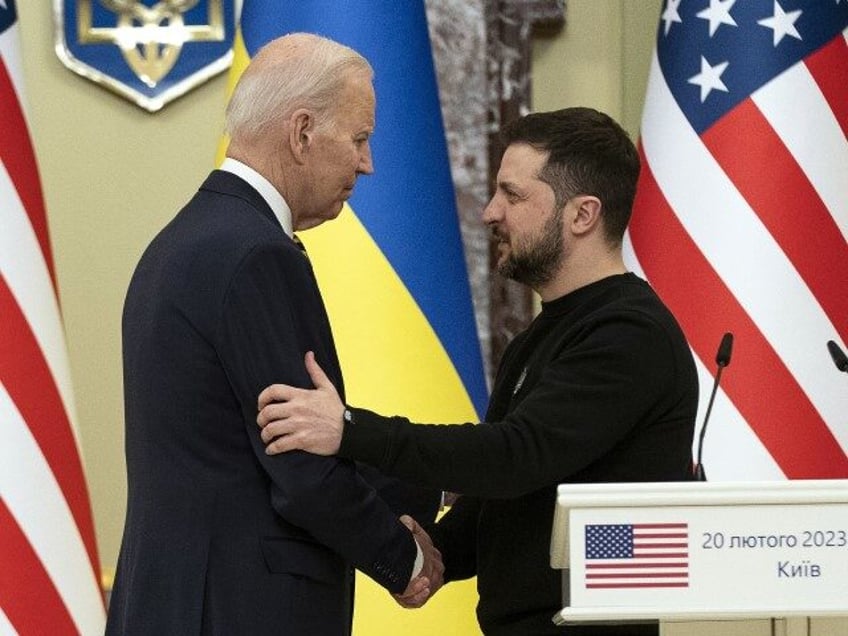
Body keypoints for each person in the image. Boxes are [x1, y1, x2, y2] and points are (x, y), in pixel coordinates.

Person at [256, 107, 700, 635]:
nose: (490, 213)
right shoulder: (541, 336)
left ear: (582, 215)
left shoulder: (629, 334)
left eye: (512, 196)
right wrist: (427, 557)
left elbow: (514, 458)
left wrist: (349, 430)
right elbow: (508, 499)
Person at [106, 33, 443, 636]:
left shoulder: (183, 241)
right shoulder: (257, 255)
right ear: (303, 131)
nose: (367, 164)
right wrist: (403, 557)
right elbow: (300, 464)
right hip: (242, 610)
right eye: (360, 138)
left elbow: (249, 444)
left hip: (176, 602)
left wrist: (432, 484)